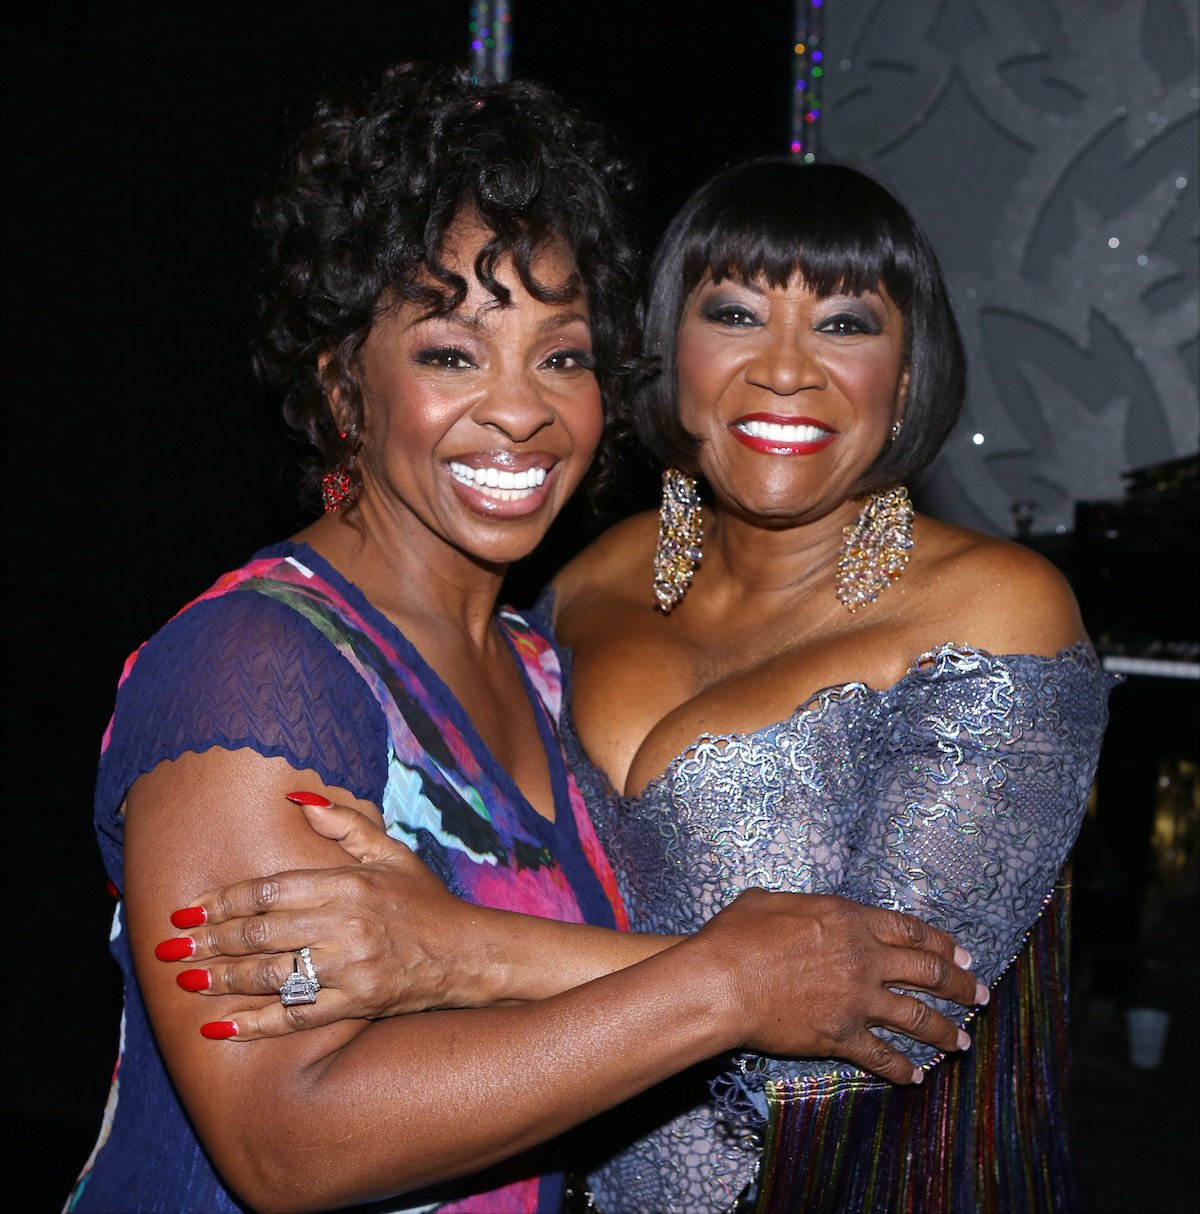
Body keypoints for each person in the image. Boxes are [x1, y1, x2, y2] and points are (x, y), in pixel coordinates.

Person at [69, 69, 985, 1214]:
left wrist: (488, 951)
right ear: (344, 382)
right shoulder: (254, 667)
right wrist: (727, 981)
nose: (522, 409)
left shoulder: (547, 665)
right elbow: (282, 1137)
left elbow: (568, 994)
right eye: (452, 352)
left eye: (563, 355)